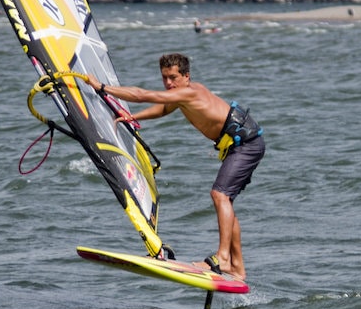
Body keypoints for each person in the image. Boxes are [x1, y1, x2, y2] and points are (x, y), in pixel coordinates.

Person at [84, 53, 265, 281]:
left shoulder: (190, 91)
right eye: (164, 78)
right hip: (239, 145)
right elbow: (163, 109)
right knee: (224, 199)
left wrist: (101, 87)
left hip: (246, 145)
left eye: (173, 78)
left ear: (186, 76)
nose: (168, 83)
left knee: (219, 195)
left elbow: (143, 95)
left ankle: (224, 258)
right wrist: (133, 117)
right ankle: (237, 267)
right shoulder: (181, 95)